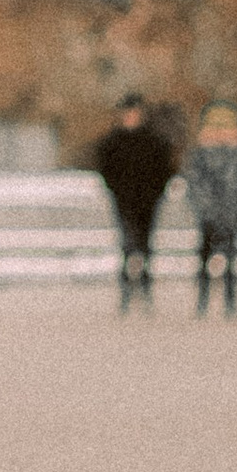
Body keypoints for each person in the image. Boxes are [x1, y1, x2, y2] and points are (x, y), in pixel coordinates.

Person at [94, 93, 178, 310]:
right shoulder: (114, 142)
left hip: (147, 201)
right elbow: (105, 168)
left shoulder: (154, 141)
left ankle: (144, 287)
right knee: (127, 244)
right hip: (124, 201)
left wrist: (155, 191)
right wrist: (116, 189)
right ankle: (127, 289)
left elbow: (165, 168)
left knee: (145, 245)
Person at [186, 103, 237, 316]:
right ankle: (203, 301)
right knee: (204, 258)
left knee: (231, 260)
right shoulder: (201, 156)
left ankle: (230, 302)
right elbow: (194, 184)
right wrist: (206, 209)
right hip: (209, 217)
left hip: (231, 216)